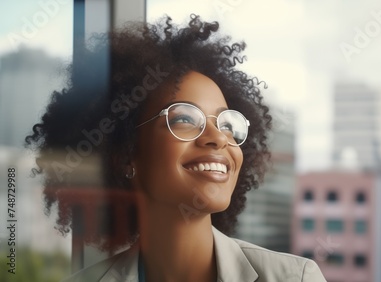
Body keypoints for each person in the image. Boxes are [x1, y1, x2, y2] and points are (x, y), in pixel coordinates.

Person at [25, 14, 326, 282]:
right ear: (125, 153)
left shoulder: (295, 278)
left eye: (227, 123)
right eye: (184, 118)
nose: (219, 138)